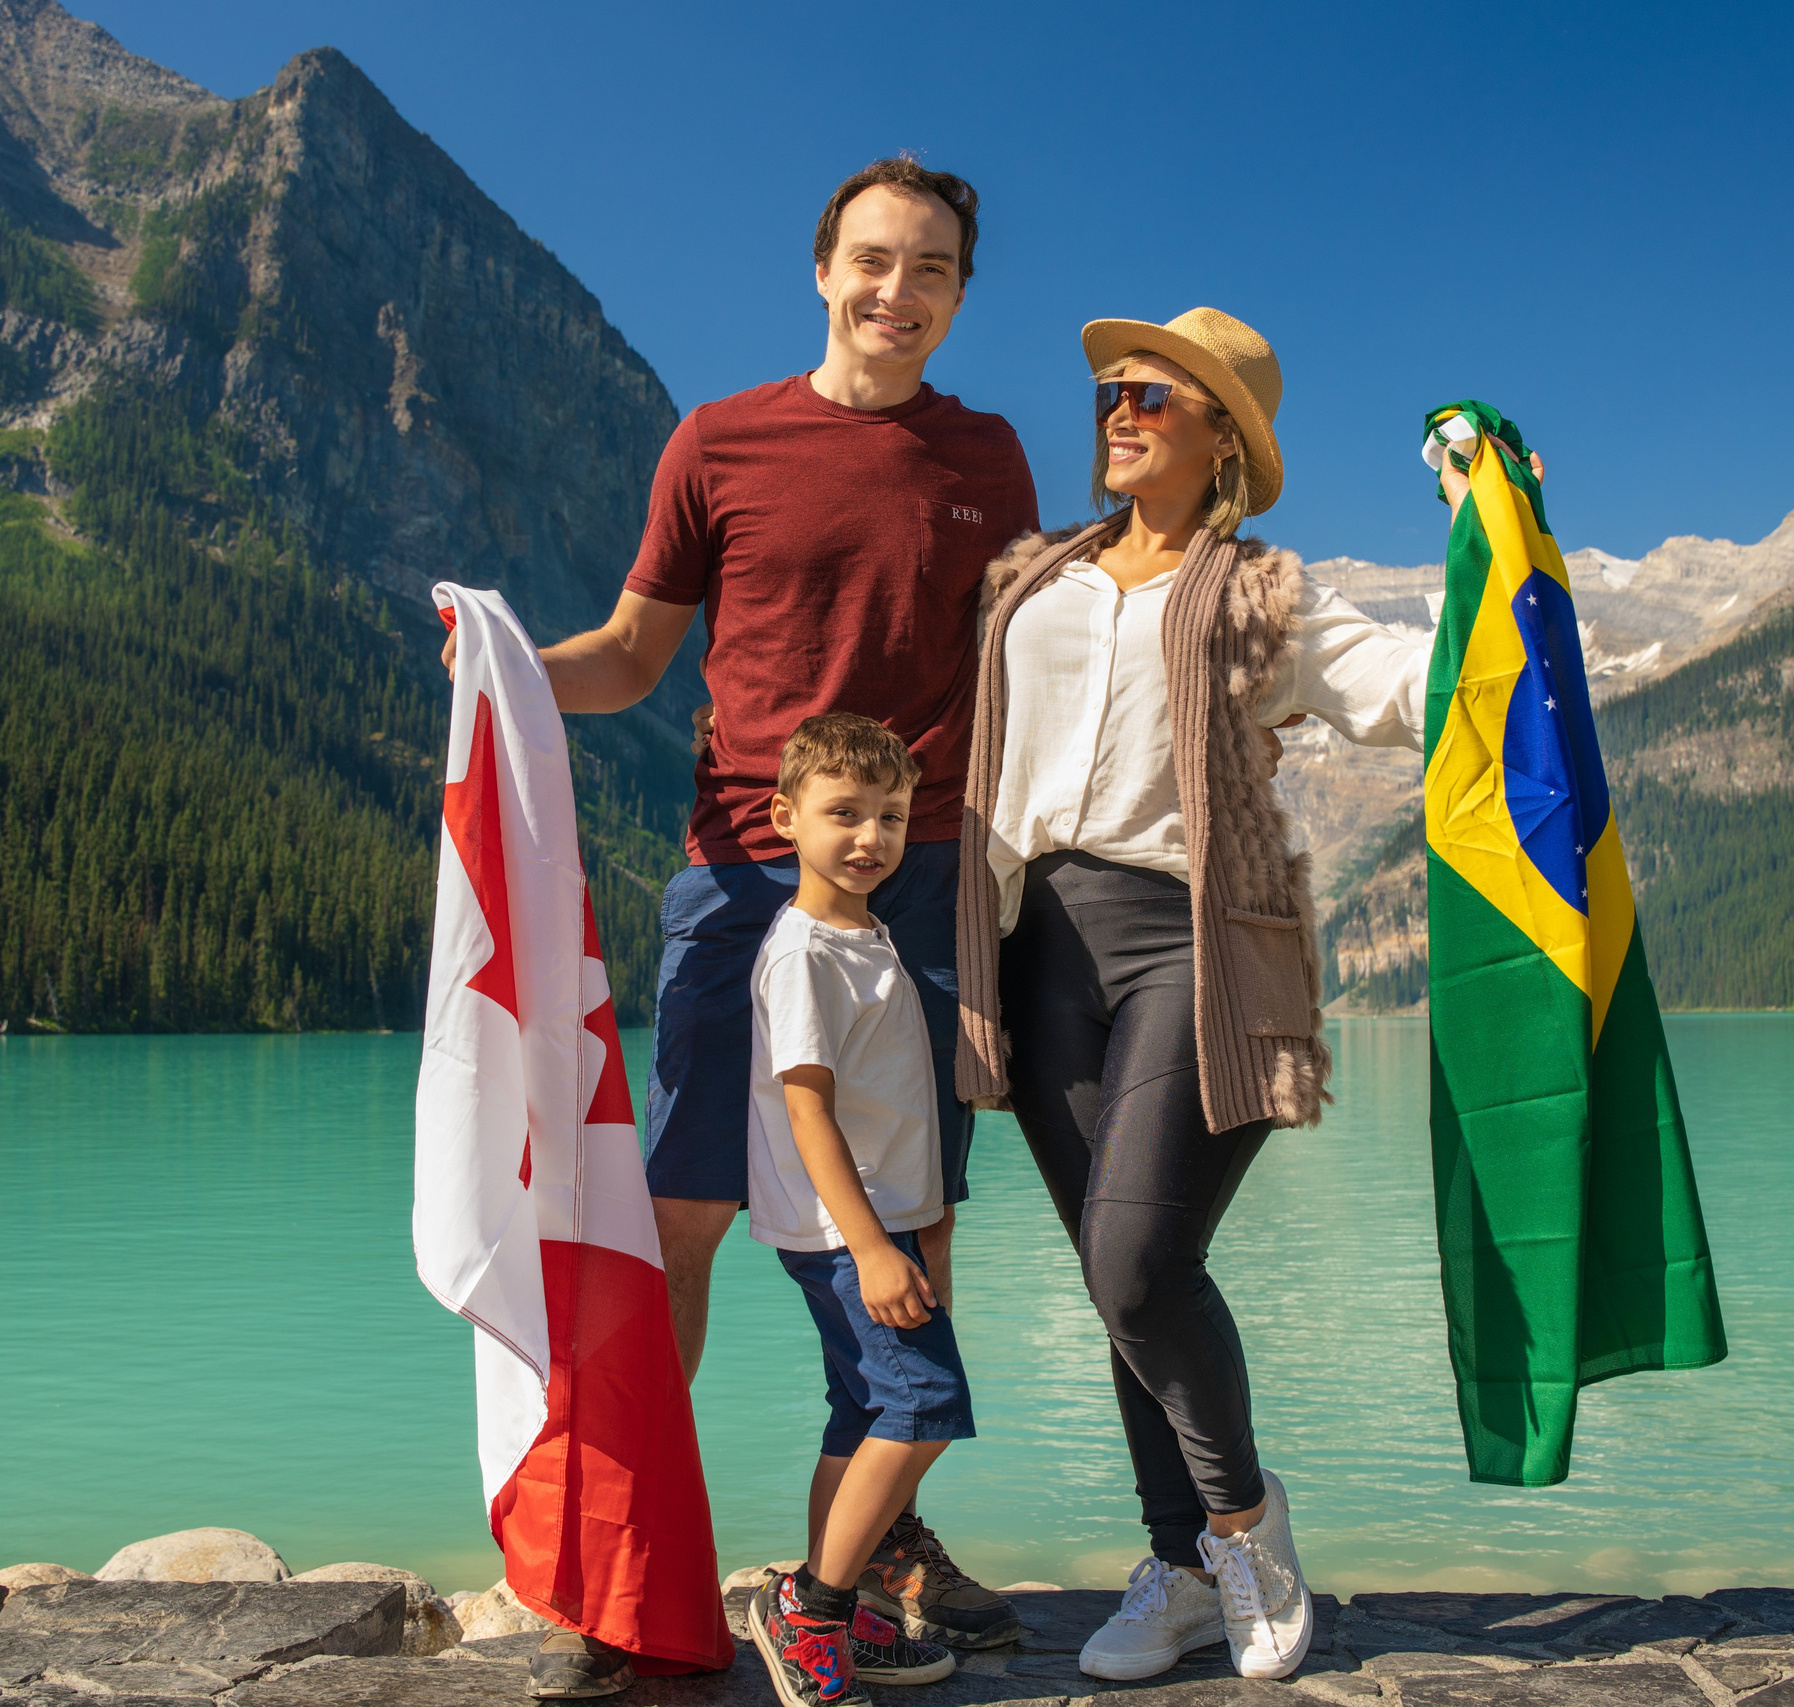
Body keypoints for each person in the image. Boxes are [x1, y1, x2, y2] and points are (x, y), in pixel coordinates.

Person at [457, 158, 1036, 1694]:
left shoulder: (987, 457)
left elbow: (1022, 679)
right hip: (742, 879)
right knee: (685, 1215)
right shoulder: (722, 439)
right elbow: (636, 657)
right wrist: (504, 665)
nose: (895, 291)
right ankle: (633, 1549)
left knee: (915, 1219)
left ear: (962, 294)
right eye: (871, 260)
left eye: (930, 270)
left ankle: (881, 1541)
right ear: (822, 267)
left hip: (920, 883)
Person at [953, 309, 1523, 1681]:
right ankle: (1179, 1568)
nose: (1117, 406)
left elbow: (1405, 688)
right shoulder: (1030, 583)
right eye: (1107, 388)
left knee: (1140, 1257)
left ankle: (1244, 1526)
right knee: (1117, 1279)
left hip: (1195, 943)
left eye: (1150, 390)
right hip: (1039, 946)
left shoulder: (1263, 590)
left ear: (1221, 432)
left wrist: (1492, 539)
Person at [741, 714, 973, 1707]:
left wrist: (920, 1225)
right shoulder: (802, 953)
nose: (869, 837)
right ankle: (813, 1610)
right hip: (847, 1233)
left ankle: (825, 1602)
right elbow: (807, 1111)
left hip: (877, 1224)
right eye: (843, 815)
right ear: (785, 817)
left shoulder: (862, 932)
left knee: (864, 1410)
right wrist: (875, 1247)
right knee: (922, 1407)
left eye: (889, 816)